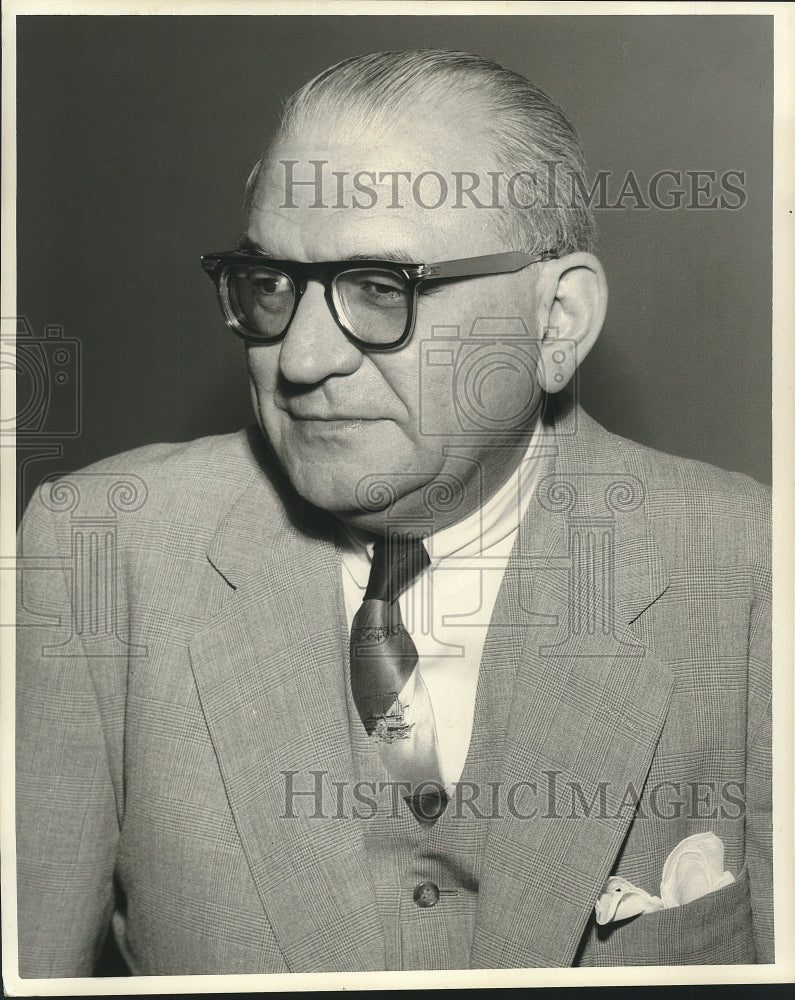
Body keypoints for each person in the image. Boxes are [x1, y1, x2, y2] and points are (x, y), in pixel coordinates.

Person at [16, 49, 772, 975]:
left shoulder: (752, 576)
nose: (298, 360)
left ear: (556, 321)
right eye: (270, 283)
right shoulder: (101, 548)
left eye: (382, 288)